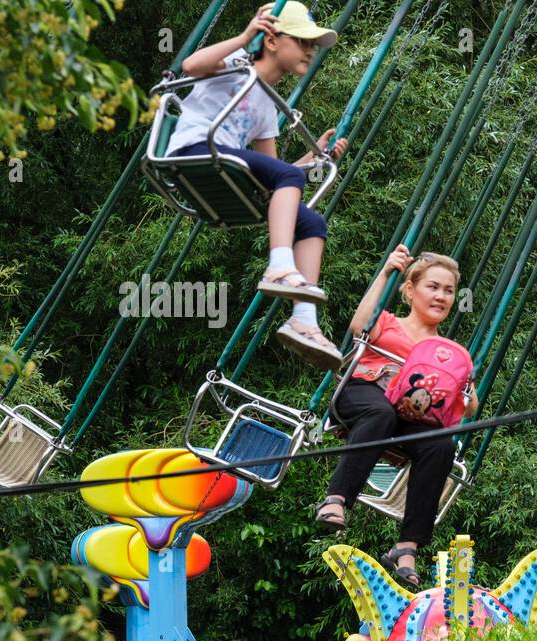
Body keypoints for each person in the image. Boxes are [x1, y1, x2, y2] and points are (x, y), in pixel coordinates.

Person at [166, 2, 348, 370]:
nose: (310, 51)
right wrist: (244, 37)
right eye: (302, 41)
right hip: (197, 147)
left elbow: (278, 171)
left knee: (313, 223)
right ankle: (279, 265)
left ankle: (304, 320)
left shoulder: (269, 105)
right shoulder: (237, 65)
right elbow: (190, 67)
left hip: (225, 163)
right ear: (272, 40)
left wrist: (315, 161)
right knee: (287, 180)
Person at [315, 246, 476, 588]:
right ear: (410, 290)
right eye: (433, 287)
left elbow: (468, 408)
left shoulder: (446, 353)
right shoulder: (386, 321)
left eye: (448, 291)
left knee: (440, 446)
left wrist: (465, 384)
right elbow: (359, 325)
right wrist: (387, 271)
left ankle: (407, 545)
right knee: (381, 411)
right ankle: (338, 497)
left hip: (407, 414)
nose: (441, 296)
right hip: (365, 393)